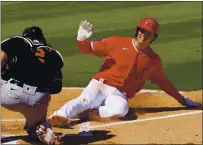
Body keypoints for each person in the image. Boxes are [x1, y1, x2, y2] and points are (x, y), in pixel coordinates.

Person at [47, 18, 201, 127]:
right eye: (142, 30)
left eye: (149, 33)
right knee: (85, 100)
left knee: (121, 110)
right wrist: (81, 39)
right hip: (101, 84)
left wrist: (182, 100)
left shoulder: (153, 60)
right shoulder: (116, 42)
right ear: (137, 30)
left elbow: (164, 82)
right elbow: (86, 49)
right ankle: (59, 115)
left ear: (154, 37)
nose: (144, 35)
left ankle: (90, 113)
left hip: (119, 95)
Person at [1, 26, 64, 144]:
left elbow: (2, 57)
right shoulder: (54, 55)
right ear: (42, 39)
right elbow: (56, 88)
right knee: (37, 124)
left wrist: (5, 74)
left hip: (11, 96)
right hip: (39, 100)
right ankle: (48, 136)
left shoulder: (18, 41)